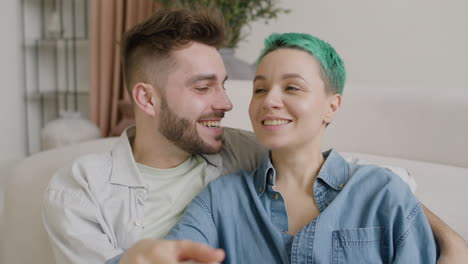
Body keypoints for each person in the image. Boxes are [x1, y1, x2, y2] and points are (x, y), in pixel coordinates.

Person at [42, 6, 467, 264]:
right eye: (203, 87)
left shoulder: (240, 149)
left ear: (332, 106)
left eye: (227, 84)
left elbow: (352, 176)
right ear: (147, 100)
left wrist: (452, 241)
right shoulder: (81, 190)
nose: (229, 103)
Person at [164, 32, 439, 263]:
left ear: (331, 107)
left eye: (292, 87)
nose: (269, 100)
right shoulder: (221, 200)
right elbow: (164, 257)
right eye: (259, 89)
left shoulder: (383, 193)